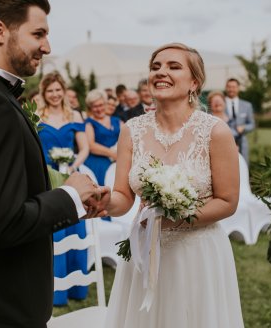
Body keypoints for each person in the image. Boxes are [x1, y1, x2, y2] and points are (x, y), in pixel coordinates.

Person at [0, 0, 109, 328]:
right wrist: (70, 195)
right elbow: (3, 223)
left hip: (0, 300)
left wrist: (76, 200)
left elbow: (5, 197)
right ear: (0, 31)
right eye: (38, 34)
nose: (47, 46)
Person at [104, 43, 243, 327]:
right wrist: (102, 202)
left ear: (194, 81)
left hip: (197, 255)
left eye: (173, 66)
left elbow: (227, 202)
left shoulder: (215, 131)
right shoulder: (131, 130)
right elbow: (122, 197)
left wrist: (173, 217)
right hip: (143, 252)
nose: (161, 72)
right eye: (155, 67)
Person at [36, 72, 90, 306]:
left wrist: (72, 165)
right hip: (47, 179)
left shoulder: (75, 115)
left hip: (72, 176)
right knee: (54, 231)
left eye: (58, 90)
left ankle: (77, 289)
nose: (55, 94)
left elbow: (84, 148)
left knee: (76, 227)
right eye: (50, 91)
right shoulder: (37, 116)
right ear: (44, 93)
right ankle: (55, 290)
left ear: (63, 91)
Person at [84, 89, 122, 186]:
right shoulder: (89, 123)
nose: (99, 109)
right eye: (95, 106)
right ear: (90, 108)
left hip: (119, 158)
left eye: (101, 105)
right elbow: (91, 146)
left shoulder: (117, 121)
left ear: (106, 104)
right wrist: (113, 154)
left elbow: (129, 138)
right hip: (99, 160)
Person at [225, 78, 255, 163]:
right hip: (224, 141)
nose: (231, 89)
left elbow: (252, 124)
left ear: (238, 88)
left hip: (241, 143)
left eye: (234, 87)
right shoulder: (220, 103)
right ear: (226, 88)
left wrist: (244, 127)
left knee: (243, 166)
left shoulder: (247, 105)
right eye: (229, 87)